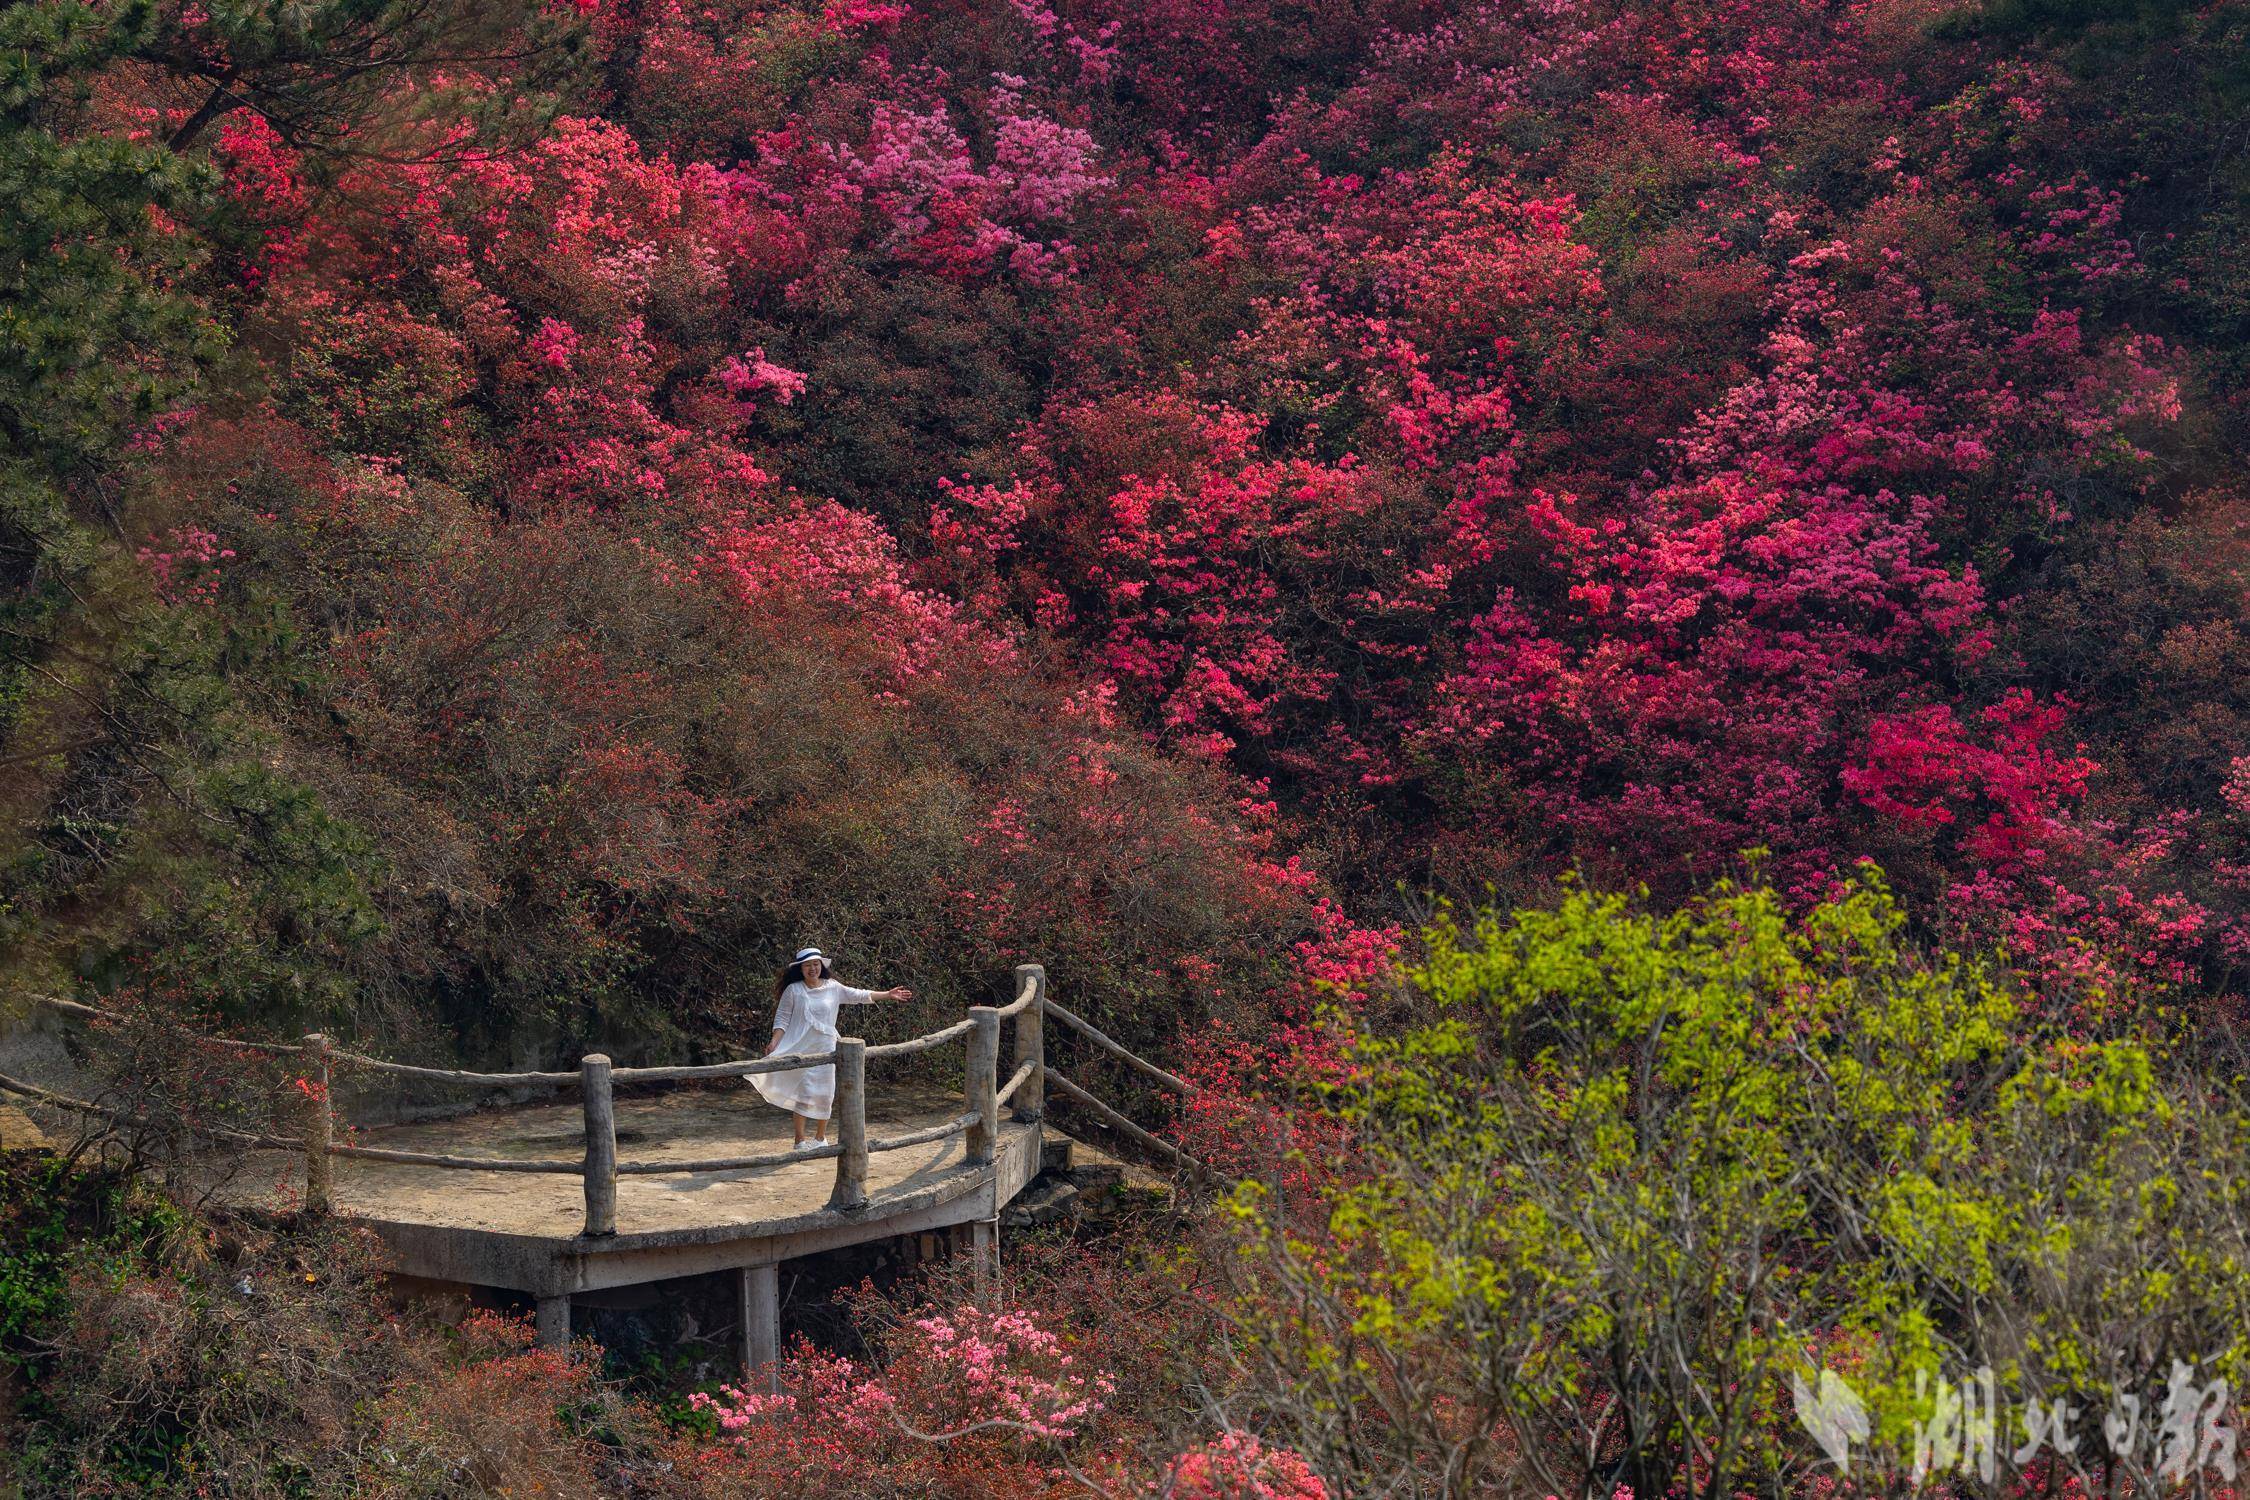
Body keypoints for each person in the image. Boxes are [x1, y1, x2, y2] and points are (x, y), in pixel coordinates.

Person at [752, 947, 914, 1149]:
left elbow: (858, 995)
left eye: (816, 964)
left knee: (825, 1092)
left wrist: (888, 995)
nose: (812, 968)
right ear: (800, 969)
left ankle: (821, 1138)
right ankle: (799, 1140)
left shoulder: (833, 987)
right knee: (803, 1093)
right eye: (808, 965)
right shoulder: (794, 990)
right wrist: (775, 1041)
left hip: (827, 1048)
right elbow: (782, 1018)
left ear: (821, 966)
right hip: (801, 1048)